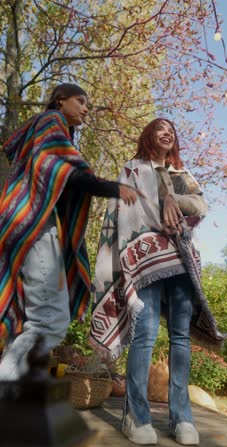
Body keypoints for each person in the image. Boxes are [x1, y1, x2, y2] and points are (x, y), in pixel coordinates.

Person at [89, 118, 225, 446]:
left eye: (172, 131)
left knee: (180, 337)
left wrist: (171, 199)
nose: (167, 133)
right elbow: (128, 209)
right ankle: (135, 415)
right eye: (160, 128)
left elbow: (200, 206)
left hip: (180, 260)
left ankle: (182, 418)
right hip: (144, 259)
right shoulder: (134, 168)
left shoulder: (182, 173)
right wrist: (160, 202)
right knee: (145, 335)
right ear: (150, 135)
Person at [0, 83, 139, 380]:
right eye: (81, 101)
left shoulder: (46, 132)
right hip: (35, 227)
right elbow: (69, 175)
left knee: (32, 320)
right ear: (61, 100)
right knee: (51, 319)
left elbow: (60, 176)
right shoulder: (50, 122)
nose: (86, 108)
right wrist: (115, 188)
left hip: (25, 227)